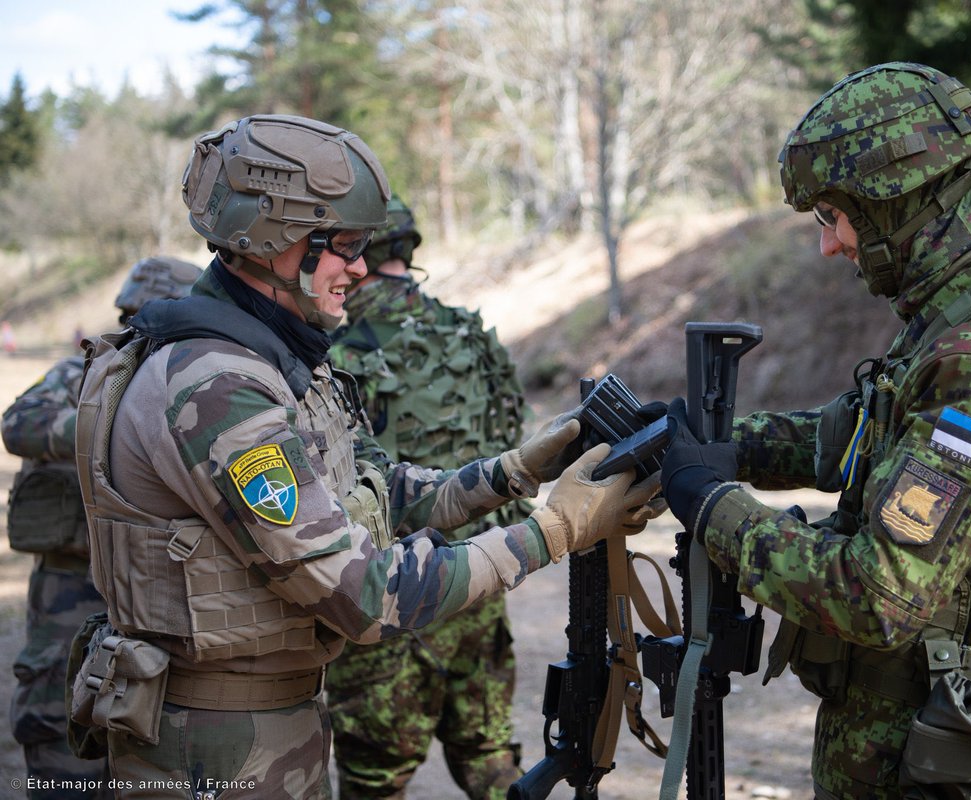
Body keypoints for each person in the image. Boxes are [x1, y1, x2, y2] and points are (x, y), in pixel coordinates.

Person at [69, 114, 659, 800]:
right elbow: (363, 597)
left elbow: (380, 488)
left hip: (261, 730)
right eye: (344, 246)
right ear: (274, 243)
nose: (360, 268)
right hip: (213, 751)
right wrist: (555, 529)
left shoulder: (277, 360)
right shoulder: (218, 390)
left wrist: (516, 470)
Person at [656, 63, 971, 799]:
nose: (830, 247)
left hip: (943, 764)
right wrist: (719, 444)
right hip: (924, 749)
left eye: (834, 218)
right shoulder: (963, 319)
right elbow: (857, 434)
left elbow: (876, 593)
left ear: (898, 205)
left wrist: (715, 510)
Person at [325, 197, 528, 799]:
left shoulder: (331, 350)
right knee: (491, 756)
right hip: (482, 581)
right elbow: (513, 435)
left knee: (373, 778)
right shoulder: (472, 333)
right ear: (408, 251)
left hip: (392, 595)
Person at [2, 256, 201, 799]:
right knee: (57, 721)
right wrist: (106, 426)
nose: (142, 324)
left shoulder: (194, 379)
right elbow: (20, 423)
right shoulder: (83, 372)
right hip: (72, 583)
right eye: (134, 314)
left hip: (156, 585)